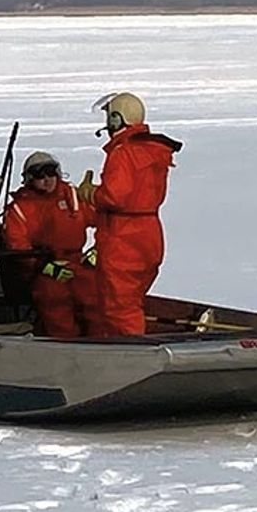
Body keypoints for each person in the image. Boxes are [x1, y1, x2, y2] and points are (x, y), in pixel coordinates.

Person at [77, 92, 182, 336]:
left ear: (116, 119)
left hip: (123, 239)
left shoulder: (124, 153)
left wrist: (89, 193)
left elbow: (115, 196)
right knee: (130, 301)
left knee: (119, 308)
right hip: (149, 236)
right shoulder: (154, 151)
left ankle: (130, 355)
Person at [2, 151, 98, 338]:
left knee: (96, 300)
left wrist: (98, 250)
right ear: (29, 179)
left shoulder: (72, 196)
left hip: (78, 263)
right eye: (39, 175)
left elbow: (106, 221)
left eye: (50, 172)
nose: (47, 179)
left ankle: (104, 346)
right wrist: (44, 266)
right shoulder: (20, 209)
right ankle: (65, 349)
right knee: (56, 305)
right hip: (44, 269)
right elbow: (17, 246)